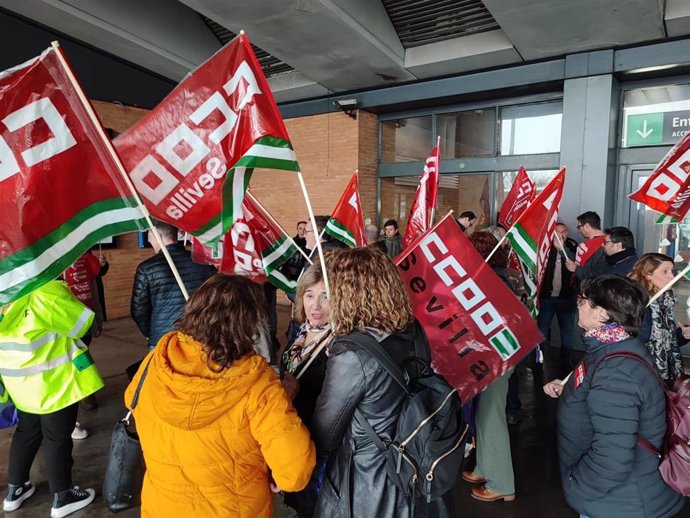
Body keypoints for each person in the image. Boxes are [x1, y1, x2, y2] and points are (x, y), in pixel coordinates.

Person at [125, 273, 316, 518]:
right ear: (249, 323)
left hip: (162, 507)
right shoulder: (258, 382)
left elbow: (132, 400)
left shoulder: (157, 359)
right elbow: (294, 473)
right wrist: (283, 399)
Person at [312, 247, 450, 518]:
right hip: (412, 466)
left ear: (346, 294)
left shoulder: (352, 355)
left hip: (370, 482)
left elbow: (325, 434)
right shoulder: (413, 329)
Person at [544, 275, 684, 518]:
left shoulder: (615, 372)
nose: (577, 305)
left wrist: (578, 486)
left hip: (620, 503)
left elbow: (613, 456)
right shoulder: (614, 347)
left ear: (602, 314)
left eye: (583, 300)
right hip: (621, 498)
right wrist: (570, 390)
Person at [0, 280, 103, 517]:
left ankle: (15, 491)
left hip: (21, 385)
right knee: (57, 437)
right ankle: (63, 496)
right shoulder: (46, 291)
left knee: (27, 432)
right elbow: (81, 323)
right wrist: (63, 289)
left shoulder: (6, 295)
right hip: (53, 384)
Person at [461, 232, 515, 502]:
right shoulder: (497, 277)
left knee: (491, 417)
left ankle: (502, 483)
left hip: (496, 358)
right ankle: (485, 466)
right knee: (483, 415)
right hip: (493, 357)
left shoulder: (494, 281)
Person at [280, 260, 334, 518]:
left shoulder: (337, 342)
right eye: (310, 295)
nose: (316, 305)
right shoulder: (301, 333)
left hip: (318, 447)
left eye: (325, 296)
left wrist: (298, 391)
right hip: (294, 434)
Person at [130, 220, 215, 349]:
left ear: (157, 236)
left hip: (162, 338)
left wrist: (150, 332)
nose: (150, 242)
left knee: (163, 368)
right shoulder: (203, 262)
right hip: (199, 333)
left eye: (150, 237)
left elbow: (139, 309)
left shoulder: (146, 268)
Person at [629, 253, 690, 384]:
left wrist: (682, 334)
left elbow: (666, 343)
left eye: (672, 271)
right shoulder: (636, 302)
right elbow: (638, 340)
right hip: (642, 373)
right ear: (647, 274)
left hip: (667, 373)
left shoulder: (665, 301)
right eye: (665, 271)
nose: (672, 276)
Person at [538, 223, 577, 372]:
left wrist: (563, 250)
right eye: (557, 232)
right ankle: (538, 359)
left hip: (565, 298)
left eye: (563, 231)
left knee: (567, 331)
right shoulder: (545, 248)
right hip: (546, 298)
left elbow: (577, 264)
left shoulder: (573, 246)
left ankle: (566, 361)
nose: (561, 235)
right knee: (542, 329)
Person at [565, 211, 607, 285]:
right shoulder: (590, 243)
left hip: (591, 289)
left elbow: (598, 273)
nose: (579, 230)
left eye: (579, 227)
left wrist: (576, 269)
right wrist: (561, 248)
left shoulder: (605, 245)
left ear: (587, 226)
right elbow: (578, 260)